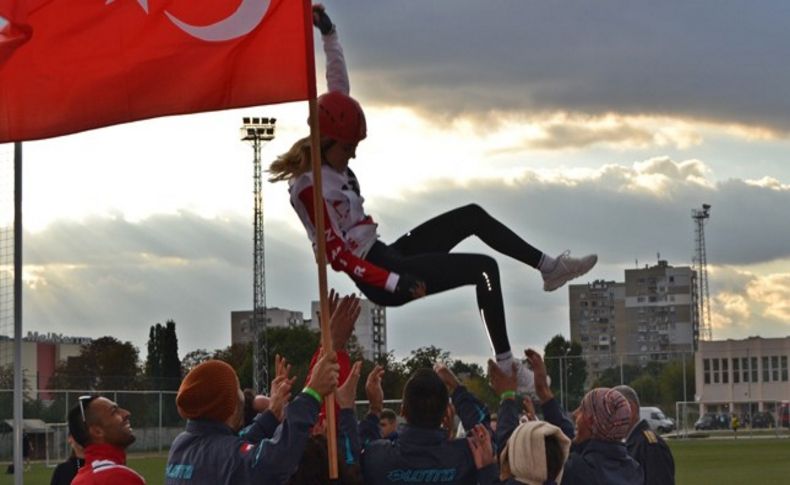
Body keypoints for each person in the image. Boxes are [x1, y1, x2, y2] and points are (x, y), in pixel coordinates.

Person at [269, 5, 598, 394]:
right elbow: (339, 257)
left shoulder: (333, 139)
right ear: (324, 141)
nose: (353, 155)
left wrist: (328, 32)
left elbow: (337, 81)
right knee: (483, 269)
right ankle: (511, 370)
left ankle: (549, 268)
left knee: (472, 215)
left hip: (386, 252)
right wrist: (394, 282)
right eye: (348, 148)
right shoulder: (307, 188)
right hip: (377, 275)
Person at [165, 356, 343, 484]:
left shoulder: (182, 445)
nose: (242, 395)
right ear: (229, 406)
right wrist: (311, 394)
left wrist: (272, 414)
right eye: (238, 389)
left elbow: (234, 451)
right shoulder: (224, 455)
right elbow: (276, 459)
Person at [359, 364, 496, 484]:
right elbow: (485, 437)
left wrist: (375, 407)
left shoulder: (377, 456)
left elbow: (359, 448)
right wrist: (457, 387)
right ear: (446, 414)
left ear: (402, 410)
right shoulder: (467, 454)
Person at [562, 388, 643, 485]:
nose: (574, 414)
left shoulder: (576, 470)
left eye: (582, 409)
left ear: (591, 422)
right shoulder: (634, 470)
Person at [68, 395, 146, 485]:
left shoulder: (79, 480)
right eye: (114, 412)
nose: (126, 413)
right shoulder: (119, 478)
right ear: (97, 432)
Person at [613, 385, 675, 485]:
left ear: (630, 409)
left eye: (612, 411)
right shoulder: (634, 443)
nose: (608, 419)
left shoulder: (650, 446)